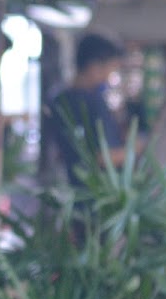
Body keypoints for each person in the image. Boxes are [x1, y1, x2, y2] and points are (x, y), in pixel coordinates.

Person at [41, 34, 132, 186]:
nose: (109, 78)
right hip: (100, 196)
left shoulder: (57, 99)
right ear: (94, 67)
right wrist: (138, 151)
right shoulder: (92, 101)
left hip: (70, 189)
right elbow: (104, 158)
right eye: (111, 69)